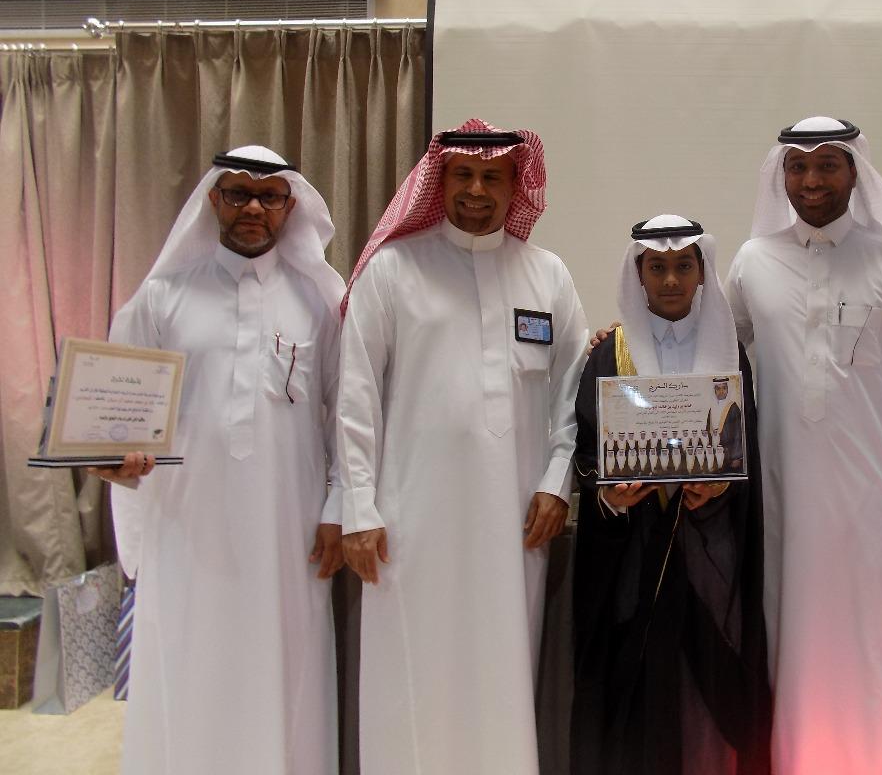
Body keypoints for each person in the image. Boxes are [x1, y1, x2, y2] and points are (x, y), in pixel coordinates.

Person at [337, 118, 588, 775]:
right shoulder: (393, 270)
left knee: (500, 672)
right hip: (408, 522)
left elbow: (573, 391)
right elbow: (356, 397)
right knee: (412, 674)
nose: (476, 190)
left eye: (492, 177)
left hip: (514, 524)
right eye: (464, 175)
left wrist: (557, 482)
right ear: (439, 179)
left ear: (516, 185)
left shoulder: (547, 275)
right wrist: (357, 509)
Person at [96, 146, 345, 775]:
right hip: (187, 526)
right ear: (214, 200)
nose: (253, 207)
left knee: (283, 663)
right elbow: (117, 418)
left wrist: (340, 506)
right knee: (188, 657)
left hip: (288, 530)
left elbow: (345, 414)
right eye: (238, 193)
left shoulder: (321, 301)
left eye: (270, 196)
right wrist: (112, 461)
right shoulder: (162, 298)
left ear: (290, 206)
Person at [725, 116, 882, 774]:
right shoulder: (752, 262)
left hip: (879, 504)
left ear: (856, 171)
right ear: (781, 176)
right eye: (798, 166)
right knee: (794, 638)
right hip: (786, 501)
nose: (812, 180)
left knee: (879, 641)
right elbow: (720, 359)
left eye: (828, 164)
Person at [572, 214, 772, 775]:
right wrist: (611, 496)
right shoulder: (609, 353)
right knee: (637, 683)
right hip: (632, 552)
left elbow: (746, 445)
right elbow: (585, 449)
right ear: (638, 274)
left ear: (702, 272)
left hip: (710, 548)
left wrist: (721, 485)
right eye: (656, 267)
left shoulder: (728, 350)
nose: (670, 280)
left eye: (684, 266)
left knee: (709, 681)